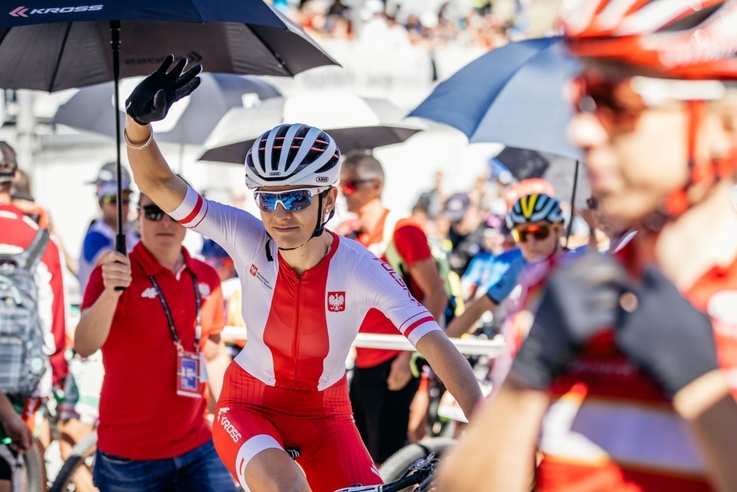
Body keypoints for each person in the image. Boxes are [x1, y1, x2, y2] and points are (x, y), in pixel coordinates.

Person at [121, 55, 482, 492]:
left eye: (295, 199)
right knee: (288, 486)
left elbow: (435, 344)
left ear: (328, 202)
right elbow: (159, 185)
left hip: (326, 416)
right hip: (248, 406)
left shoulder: (360, 266)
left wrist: (486, 432)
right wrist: (138, 127)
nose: (278, 215)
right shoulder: (245, 235)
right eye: (267, 200)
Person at [437, 1, 737, 490]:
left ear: (724, 128)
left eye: (615, 102)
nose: (579, 129)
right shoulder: (553, 291)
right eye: (580, 99)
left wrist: (700, 386)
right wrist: (524, 382)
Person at [74, 191, 234, 492]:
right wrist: (112, 292)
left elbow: (212, 355)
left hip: (198, 445)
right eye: (154, 212)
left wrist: (235, 418)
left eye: (175, 212)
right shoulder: (113, 273)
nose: (165, 222)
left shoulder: (206, 276)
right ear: (139, 215)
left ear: (189, 218)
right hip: (130, 457)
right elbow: (84, 345)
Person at [338, 150, 449, 463]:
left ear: (375, 185)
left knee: (390, 461)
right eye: (340, 185)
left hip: (394, 360)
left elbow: (435, 296)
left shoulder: (403, 229)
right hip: (364, 358)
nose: (344, 192)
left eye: (350, 185)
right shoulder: (352, 233)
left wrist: (407, 358)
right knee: (360, 459)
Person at [445, 192, 564, 340]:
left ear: (558, 230)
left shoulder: (574, 265)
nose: (531, 242)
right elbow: (478, 308)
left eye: (540, 233)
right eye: (523, 234)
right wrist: (436, 352)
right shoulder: (520, 265)